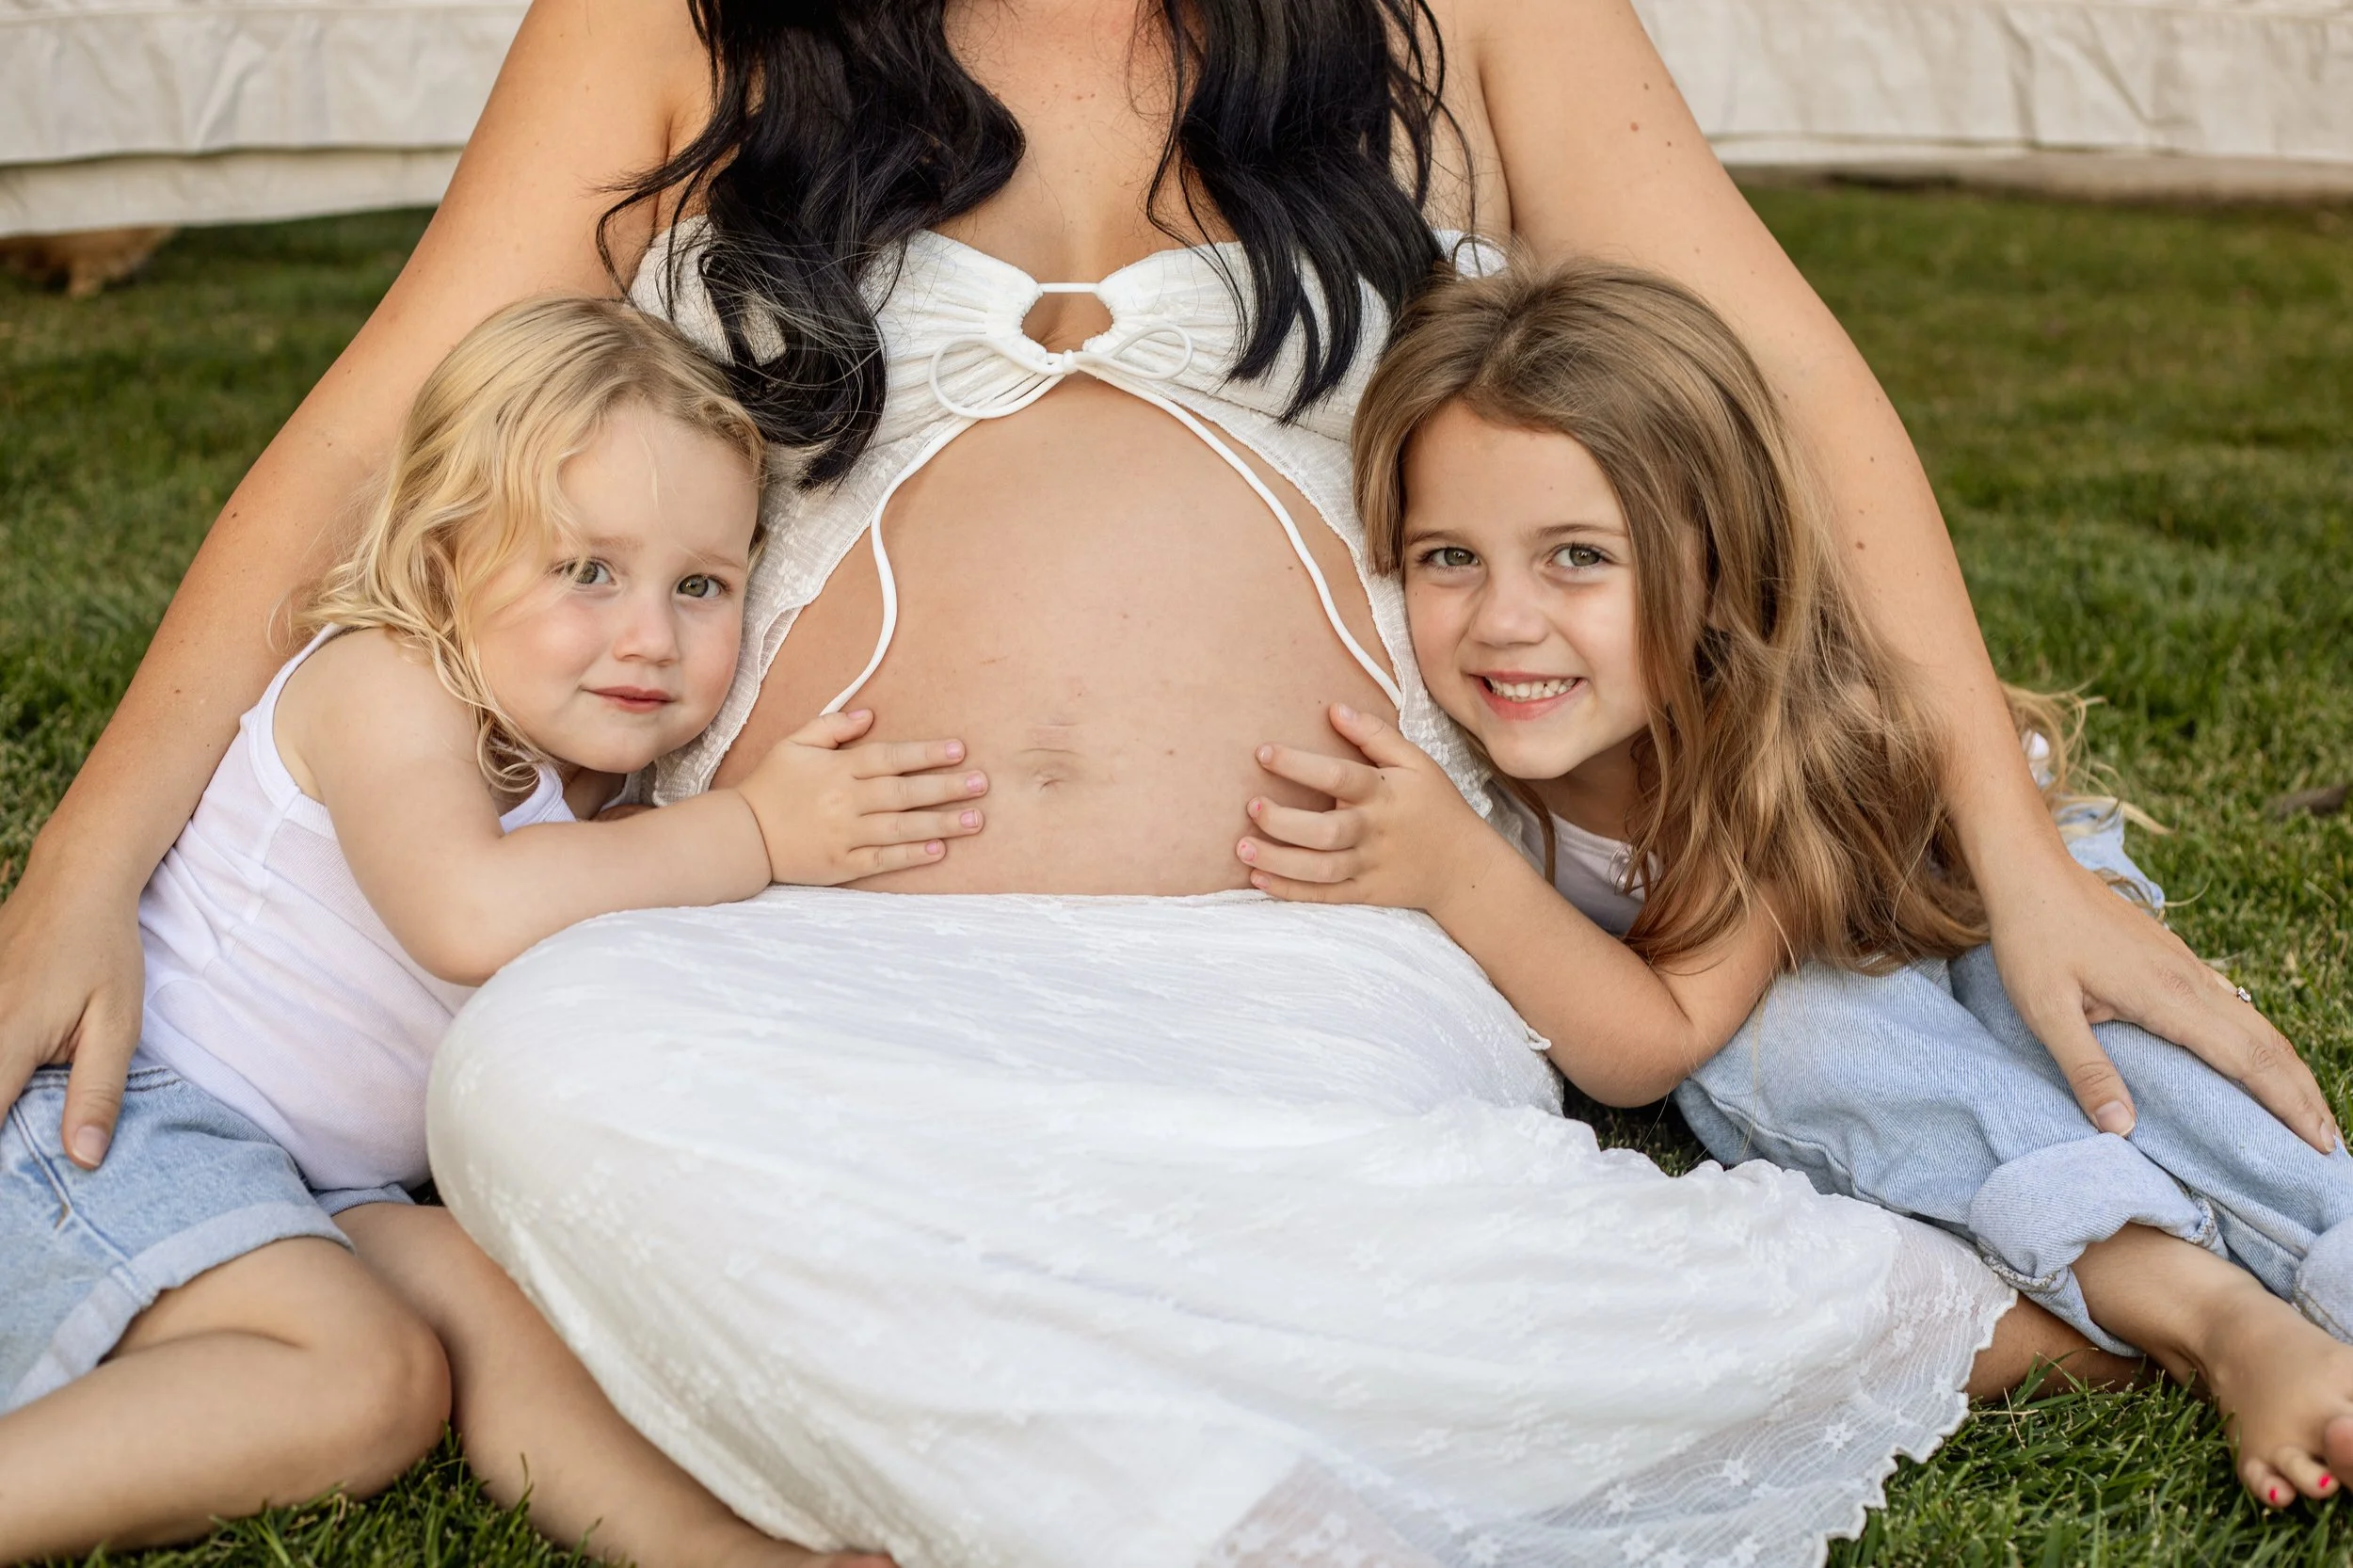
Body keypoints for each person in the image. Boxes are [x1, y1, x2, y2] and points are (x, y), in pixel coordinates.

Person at [0, 0, 2336, 1560]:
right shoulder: (684, 16)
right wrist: (79, 871)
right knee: (536, 1069)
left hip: (1315, 939)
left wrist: (2009, 850)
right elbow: (378, 422)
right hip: (788, 954)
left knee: (1330, 1192)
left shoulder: (1460, 13)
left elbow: (1782, 384)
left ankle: (1147, 1456)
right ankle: (1298, 1436)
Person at [1237, 258, 2353, 1512]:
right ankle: (2222, 1319)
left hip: (1951, 890)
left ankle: (2329, 1261)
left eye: (1577, 558)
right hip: (1825, 981)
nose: (1503, 619)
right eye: (1451, 556)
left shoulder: (1756, 743)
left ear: (1713, 567)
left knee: (2109, 1067)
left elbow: (1650, 1044)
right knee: (1837, 1048)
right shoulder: (1455, 734)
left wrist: (1456, 871)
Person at [0, 296, 984, 1561]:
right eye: (589, 569)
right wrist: (755, 834)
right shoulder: (385, 684)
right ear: (442, 561)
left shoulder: (602, 789)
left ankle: (698, 1547)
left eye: (701, 583)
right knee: (368, 1381)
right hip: (117, 1115)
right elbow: (463, 910)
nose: (649, 634)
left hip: (321, 1177)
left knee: (498, 1302)